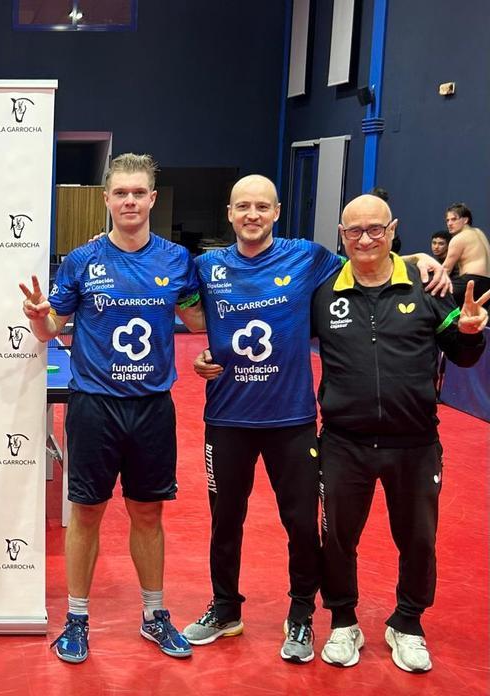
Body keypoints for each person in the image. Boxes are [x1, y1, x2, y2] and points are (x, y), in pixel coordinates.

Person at [187, 179, 452, 663]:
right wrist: (205, 353)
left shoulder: (308, 257)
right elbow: (188, 313)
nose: (252, 214)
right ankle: (226, 607)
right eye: (243, 206)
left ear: (277, 211)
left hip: (291, 419)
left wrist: (417, 259)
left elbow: (369, 259)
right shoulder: (207, 266)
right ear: (229, 213)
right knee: (225, 520)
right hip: (226, 416)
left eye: (262, 206)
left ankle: (302, 616)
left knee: (303, 527)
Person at [21, 153, 205, 663]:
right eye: (119, 192)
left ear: (151, 198)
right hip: (94, 406)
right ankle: (77, 619)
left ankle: (154, 614)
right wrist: (40, 318)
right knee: (87, 512)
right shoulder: (81, 261)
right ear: (107, 200)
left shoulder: (175, 260)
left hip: (151, 407)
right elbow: (51, 329)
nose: (129, 200)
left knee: (148, 514)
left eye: (138, 192)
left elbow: (198, 323)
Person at [312, 194, 486, 673]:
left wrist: (470, 332)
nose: (365, 239)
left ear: (393, 229)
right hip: (344, 443)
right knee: (338, 537)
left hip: (415, 444)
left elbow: (462, 350)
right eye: (354, 232)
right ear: (342, 237)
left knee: (418, 539)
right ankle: (344, 620)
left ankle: (407, 623)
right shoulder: (324, 293)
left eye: (375, 229)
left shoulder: (431, 287)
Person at [442, 203, 490, 297]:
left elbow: (445, 270)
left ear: (465, 220)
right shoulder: (479, 232)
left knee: (436, 296)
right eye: (447, 220)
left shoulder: (459, 238)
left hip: (470, 283)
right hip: (487, 285)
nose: (449, 223)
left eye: (454, 219)